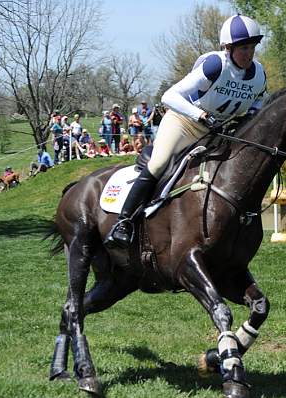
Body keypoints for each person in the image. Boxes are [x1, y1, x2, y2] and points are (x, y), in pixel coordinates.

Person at [105, 14, 267, 247]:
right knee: (159, 163)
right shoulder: (215, 65)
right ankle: (124, 223)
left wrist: (247, 119)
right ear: (228, 47)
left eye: (252, 47)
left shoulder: (258, 74)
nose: (248, 54)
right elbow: (169, 96)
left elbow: (259, 103)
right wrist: (201, 115)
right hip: (184, 122)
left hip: (215, 133)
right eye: (243, 48)